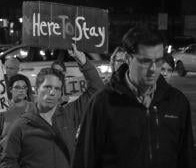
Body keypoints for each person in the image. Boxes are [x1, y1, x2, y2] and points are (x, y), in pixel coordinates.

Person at [72, 26, 194, 168]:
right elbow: (85, 159)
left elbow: (186, 157)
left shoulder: (177, 102)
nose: (154, 69)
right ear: (128, 58)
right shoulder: (103, 103)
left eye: (159, 61)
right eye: (146, 61)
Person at [0, 44, 104, 168]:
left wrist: (83, 61)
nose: (52, 92)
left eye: (57, 88)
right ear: (37, 89)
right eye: (48, 87)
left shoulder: (70, 114)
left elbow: (97, 90)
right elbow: (8, 162)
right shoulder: (21, 126)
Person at [0, 74, 34, 168]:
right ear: (10, 90)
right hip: (5, 159)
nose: (21, 90)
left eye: (24, 87)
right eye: (17, 87)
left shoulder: (34, 108)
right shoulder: (2, 108)